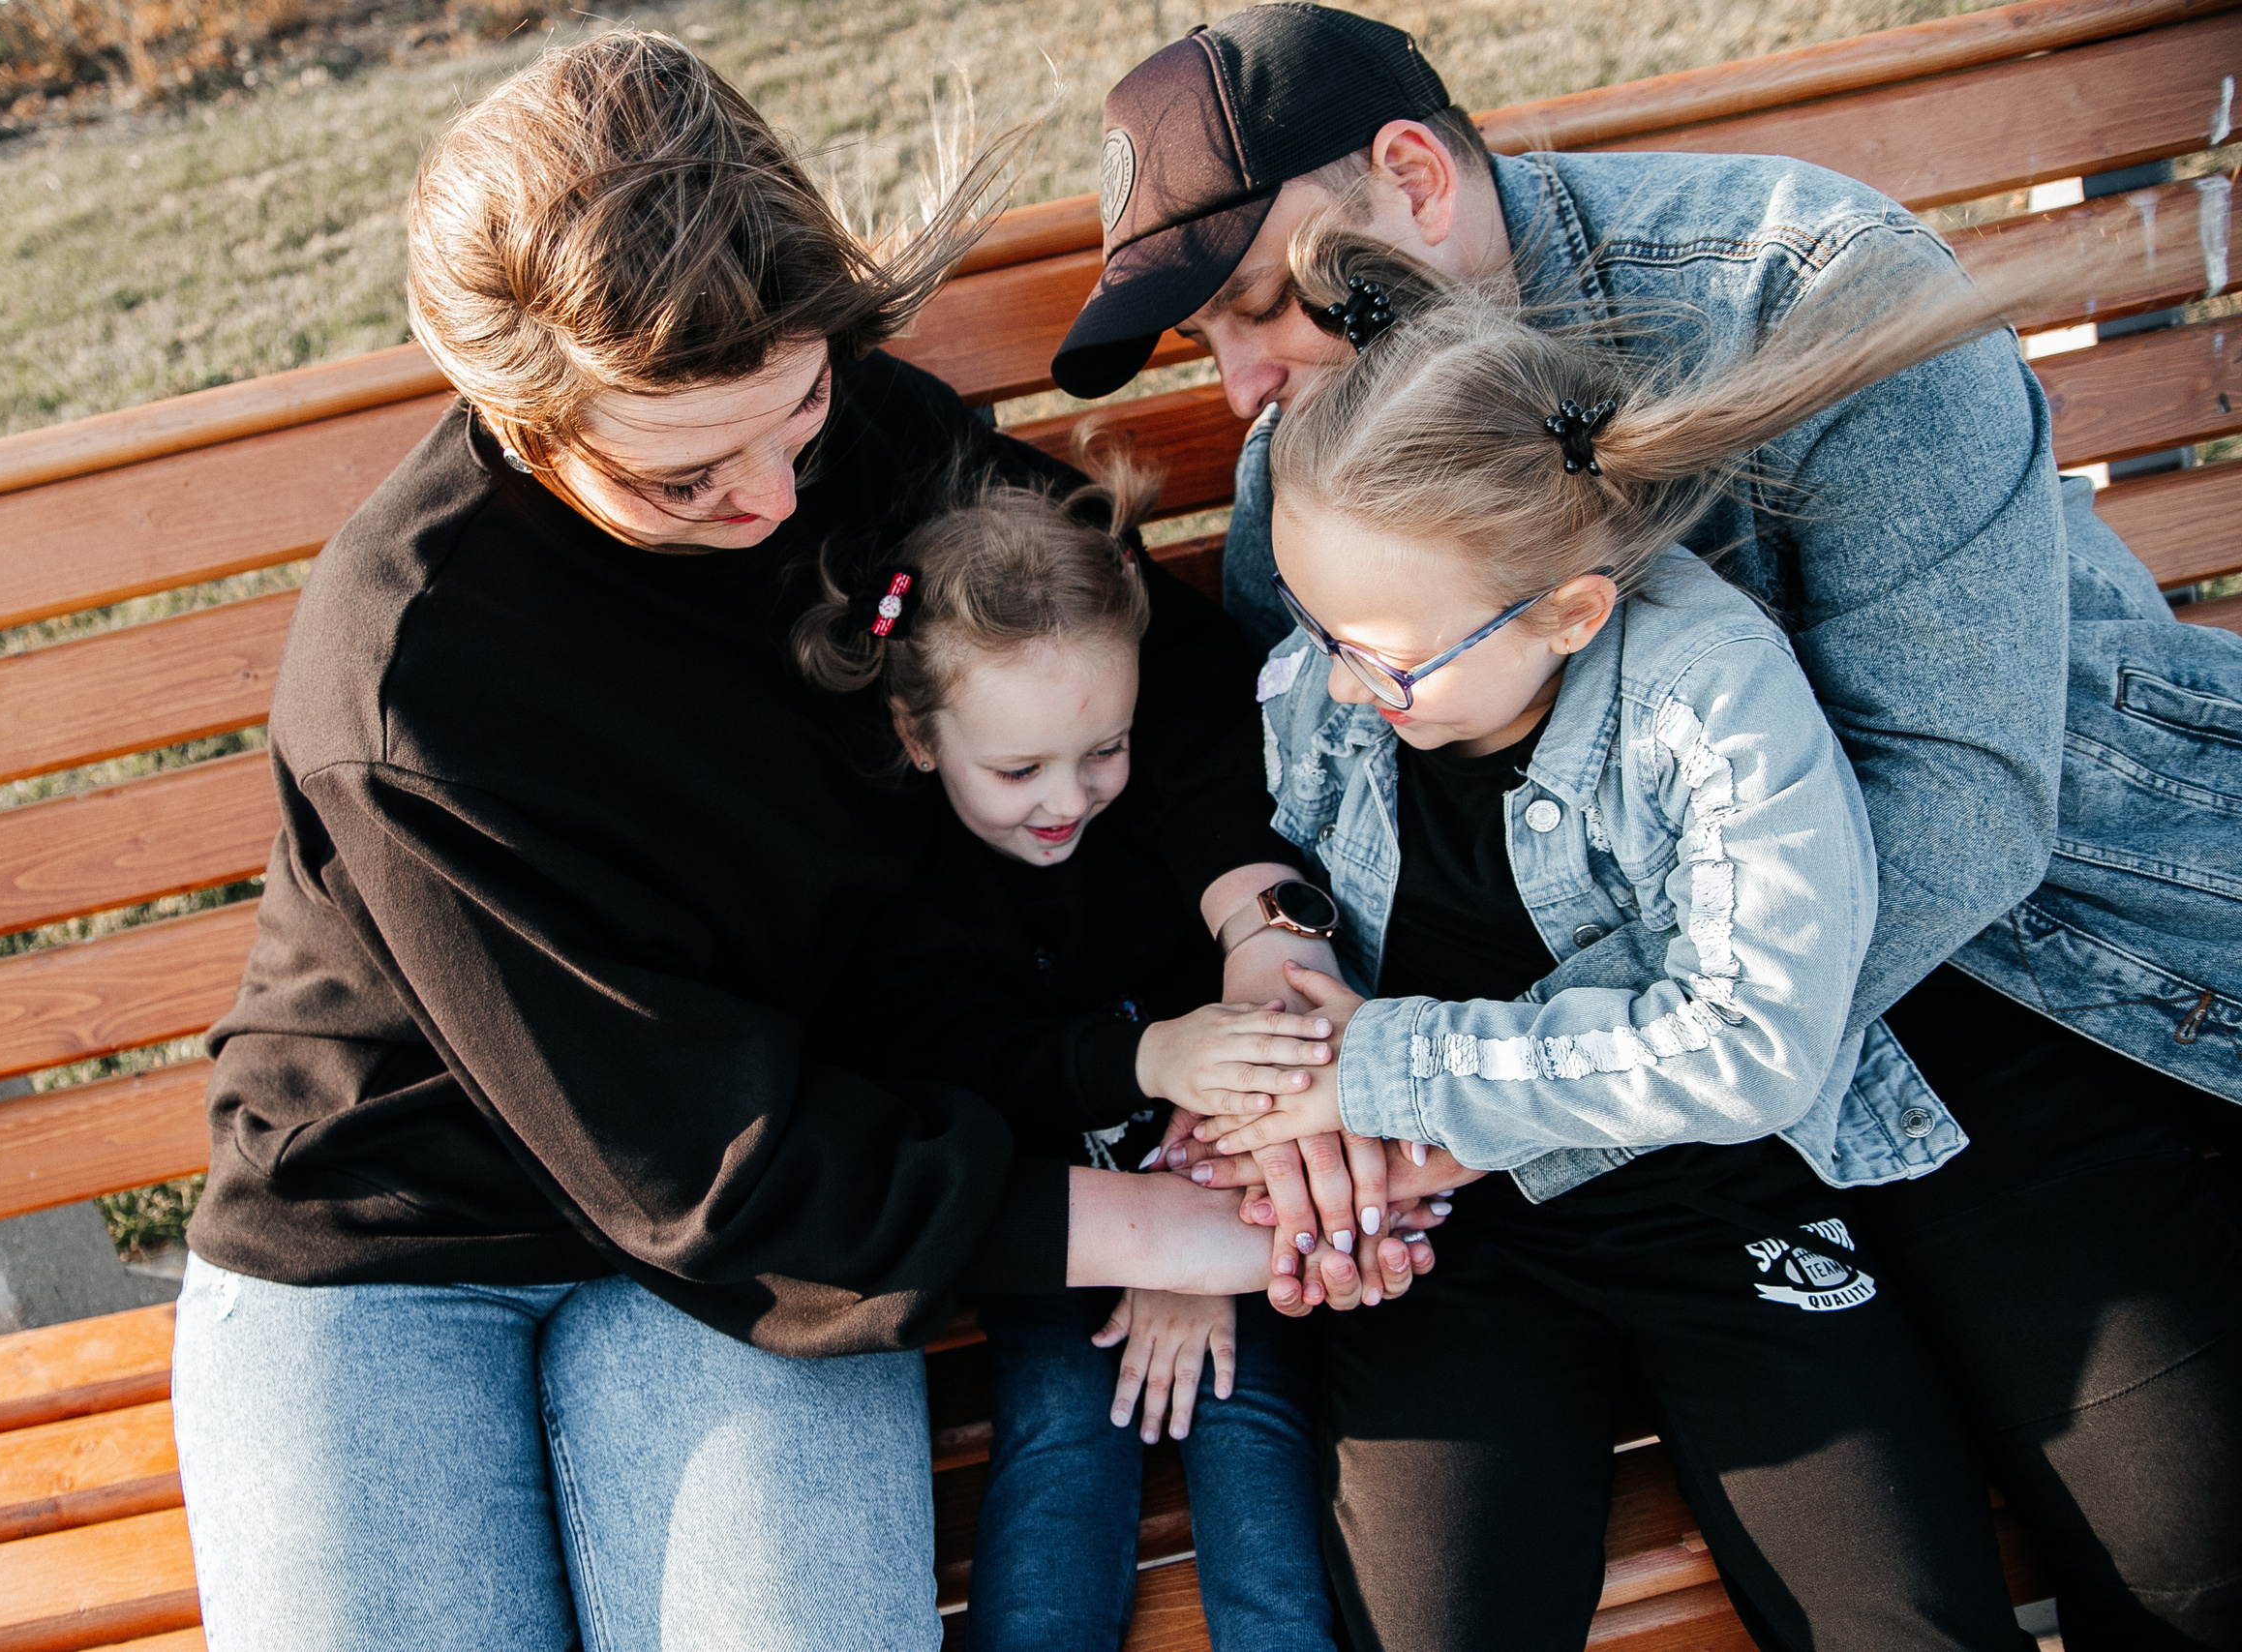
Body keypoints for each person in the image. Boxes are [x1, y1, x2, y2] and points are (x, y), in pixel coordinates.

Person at [1062, 9, 2242, 1645]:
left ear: (1412, 177)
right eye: (1207, 348)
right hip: (1598, 1091)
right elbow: (1322, 812)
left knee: (2195, 1552)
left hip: (1977, 974)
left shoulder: (1813, 286)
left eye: (1255, 307)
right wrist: (1297, 1072)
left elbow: (1962, 813)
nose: (1248, 388)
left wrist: (1464, 1098)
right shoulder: (1307, 469)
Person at [167, 32, 1348, 1652]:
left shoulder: (857, 438)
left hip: (789, 1203)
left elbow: (1149, 655)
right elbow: (699, 1163)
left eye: (793, 414)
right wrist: (1198, 1222)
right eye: (683, 473)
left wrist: (1258, 923)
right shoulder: (413, 675)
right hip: (398, 1235)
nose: (774, 501)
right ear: (517, 419)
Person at [1196, 226, 2047, 1650]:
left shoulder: (1709, 695)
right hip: (1450, 1230)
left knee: (1908, 1618)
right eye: (1313, 626)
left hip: (1716, 1190)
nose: (1339, 688)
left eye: (1383, 656)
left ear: (1572, 610)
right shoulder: (1334, 673)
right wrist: (1303, 1142)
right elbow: (1267, 889)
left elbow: (1752, 1043)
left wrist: (1380, 1072)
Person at [795, 461, 1388, 1652]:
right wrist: (1147, 1063)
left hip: (1227, 1196)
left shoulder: (1159, 830)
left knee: (1253, 1414)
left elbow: (1263, 1050)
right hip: (1043, 1213)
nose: (1067, 800)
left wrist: (1192, 1230)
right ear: (917, 734)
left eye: (1103, 750)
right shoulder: (907, 896)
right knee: (1065, 1426)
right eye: (1016, 771)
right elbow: (959, 1067)